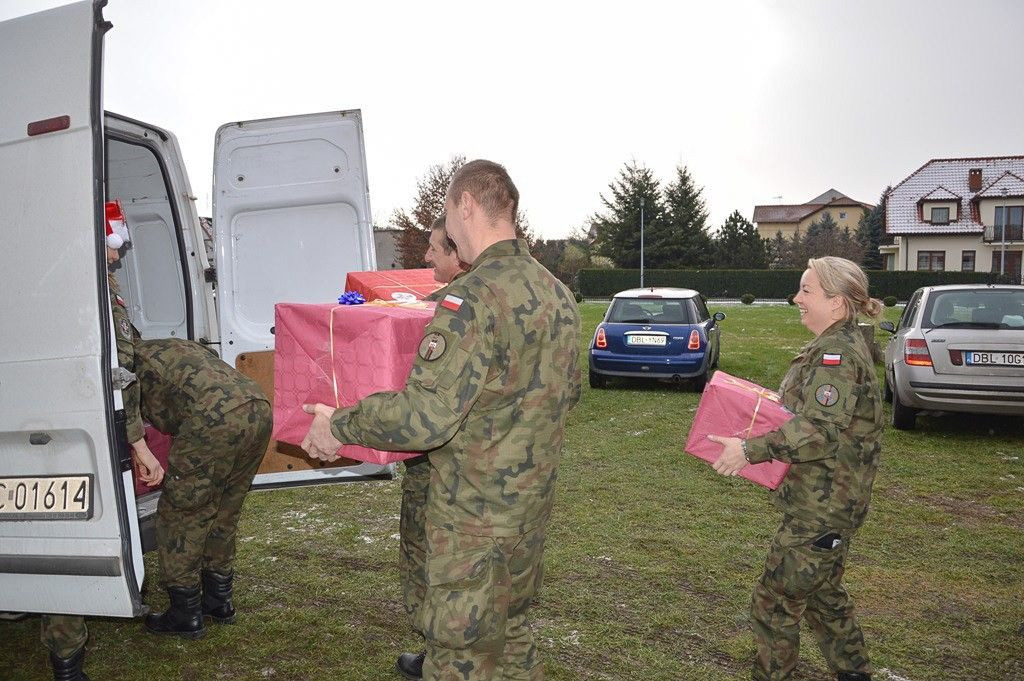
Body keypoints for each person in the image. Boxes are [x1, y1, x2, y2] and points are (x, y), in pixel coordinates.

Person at [302, 159, 581, 680]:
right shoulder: (557, 294)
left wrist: (339, 424)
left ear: (466, 205)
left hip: (472, 522)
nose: (447, 228)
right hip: (529, 515)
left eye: (449, 213)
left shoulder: (472, 297)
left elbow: (427, 416)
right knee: (514, 639)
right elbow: (566, 397)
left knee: (457, 656)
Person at [708, 256, 884, 681]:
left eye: (806, 291)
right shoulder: (838, 344)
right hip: (828, 504)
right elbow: (812, 414)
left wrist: (750, 450)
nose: (796, 299)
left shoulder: (836, 355)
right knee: (824, 598)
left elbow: (821, 429)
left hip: (821, 509)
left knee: (774, 604)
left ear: (837, 303)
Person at [37, 201, 149, 681]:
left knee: (48, 533)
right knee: (70, 530)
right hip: (77, 425)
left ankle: (65, 661)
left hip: (41, 422)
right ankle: (66, 664)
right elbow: (118, 373)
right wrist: (139, 442)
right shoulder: (94, 292)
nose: (117, 254)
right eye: (112, 245)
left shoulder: (44, 278)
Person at [134, 337, 272, 639]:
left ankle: (185, 614)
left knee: (182, 515)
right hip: (256, 405)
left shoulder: (126, 362)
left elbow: (128, 417)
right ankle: (218, 601)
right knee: (225, 509)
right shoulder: (170, 344)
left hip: (214, 418)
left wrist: (140, 449)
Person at [396, 213, 468, 680]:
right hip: (475, 465)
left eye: (434, 248)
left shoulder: (451, 307)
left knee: (428, 557)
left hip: (434, 463)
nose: (425, 256)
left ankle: (437, 657)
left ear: (457, 253)